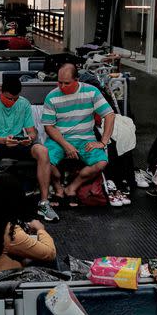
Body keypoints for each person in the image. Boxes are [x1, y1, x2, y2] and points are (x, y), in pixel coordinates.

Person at [0, 77, 60, 222]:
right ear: (0, 91)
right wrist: (3, 140)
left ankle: (43, 203)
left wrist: (30, 138)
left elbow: (32, 131)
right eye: (9, 98)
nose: (12, 102)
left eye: (15, 99)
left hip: (18, 142)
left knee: (43, 151)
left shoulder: (23, 103)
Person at [42, 63, 115, 208]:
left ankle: (72, 187)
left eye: (66, 83)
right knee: (43, 160)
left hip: (84, 139)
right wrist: (66, 145)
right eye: (59, 82)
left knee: (101, 163)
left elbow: (110, 115)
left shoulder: (91, 92)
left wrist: (103, 141)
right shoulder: (52, 96)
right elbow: (49, 127)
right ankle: (58, 187)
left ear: (77, 79)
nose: (62, 86)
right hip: (59, 140)